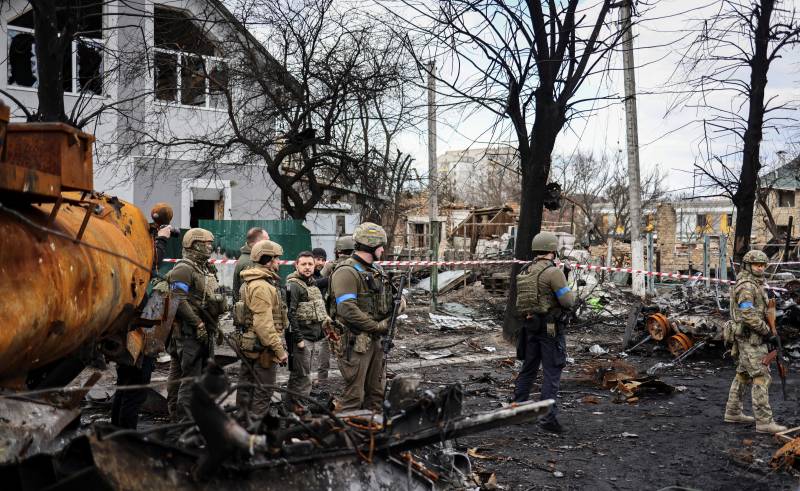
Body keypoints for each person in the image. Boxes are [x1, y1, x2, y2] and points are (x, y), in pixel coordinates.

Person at [111, 203, 174, 429]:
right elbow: (153, 263)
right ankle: (125, 436)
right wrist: (162, 240)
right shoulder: (137, 278)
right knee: (135, 390)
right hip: (136, 335)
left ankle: (115, 430)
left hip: (124, 332)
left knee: (124, 385)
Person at [512, 231, 575, 434]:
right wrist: (565, 279)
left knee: (528, 369)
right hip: (550, 329)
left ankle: (519, 411)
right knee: (551, 373)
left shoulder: (525, 270)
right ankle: (548, 418)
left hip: (530, 327)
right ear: (552, 250)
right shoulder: (553, 272)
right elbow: (567, 301)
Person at [329, 223, 395, 411]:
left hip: (375, 341)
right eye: (381, 246)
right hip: (355, 341)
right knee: (354, 395)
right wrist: (377, 326)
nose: (383, 250)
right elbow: (347, 309)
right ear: (370, 246)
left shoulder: (376, 270)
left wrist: (400, 303)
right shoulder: (346, 271)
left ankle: (370, 434)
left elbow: (388, 297)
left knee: (376, 393)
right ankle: (345, 435)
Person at [724, 249, 787, 434]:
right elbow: (747, 314)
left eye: (762, 265)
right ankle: (764, 422)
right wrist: (767, 332)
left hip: (750, 337)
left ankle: (733, 411)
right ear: (747, 265)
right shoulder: (747, 286)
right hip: (750, 339)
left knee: (743, 374)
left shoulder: (755, 283)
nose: (760, 268)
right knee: (761, 376)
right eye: (756, 265)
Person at [166, 227, 226, 422]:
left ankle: (177, 416)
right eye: (207, 244)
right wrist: (198, 324)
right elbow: (178, 300)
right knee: (190, 379)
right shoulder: (184, 268)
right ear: (195, 245)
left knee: (184, 376)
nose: (210, 247)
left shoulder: (204, 268)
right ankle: (184, 422)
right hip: (187, 333)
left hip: (201, 330)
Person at [235, 239, 289, 418]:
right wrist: (279, 350)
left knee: (246, 389)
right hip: (262, 349)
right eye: (276, 259)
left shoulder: (252, 281)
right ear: (268, 260)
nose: (279, 262)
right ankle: (256, 433)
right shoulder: (262, 286)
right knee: (262, 392)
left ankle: (242, 427)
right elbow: (263, 324)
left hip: (251, 345)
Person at [285, 251, 330, 412]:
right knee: (304, 378)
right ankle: (300, 409)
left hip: (311, 337)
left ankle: (290, 407)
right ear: (296, 265)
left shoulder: (311, 283)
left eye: (310, 264)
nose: (307, 267)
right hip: (302, 339)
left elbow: (318, 310)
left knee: (299, 374)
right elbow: (290, 314)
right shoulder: (295, 285)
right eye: (303, 264)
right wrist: (299, 339)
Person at [316, 236, 355, 381]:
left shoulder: (331, 265)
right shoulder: (355, 265)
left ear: (338, 251)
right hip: (349, 310)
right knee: (350, 345)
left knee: (326, 343)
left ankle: (322, 378)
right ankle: (350, 377)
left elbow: (319, 280)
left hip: (332, 311)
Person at [233, 227, 270, 305]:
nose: (269, 244)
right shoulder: (249, 263)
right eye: (267, 241)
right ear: (257, 243)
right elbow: (252, 295)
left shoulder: (252, 258)